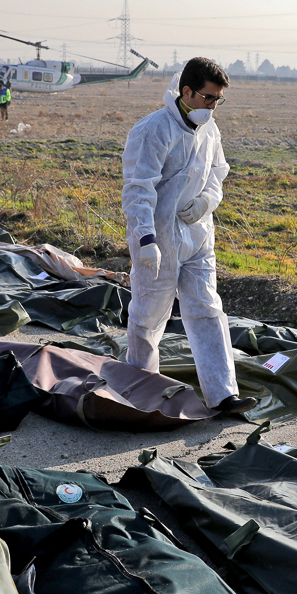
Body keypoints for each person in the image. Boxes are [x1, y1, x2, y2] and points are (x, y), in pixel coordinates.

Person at [120, 57, 256, 415]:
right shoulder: (153, 130)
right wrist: (146, 237)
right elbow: (138, 188)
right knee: (150, 314)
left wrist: (207, 201)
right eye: (209, 98)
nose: (213, 106)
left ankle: (223, 394)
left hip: (197, 235)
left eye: (217, 100)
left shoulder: (210, 130)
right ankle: (140, 388)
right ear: (186, 92)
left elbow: (218, 172)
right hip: (159, 238)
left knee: (207, 309)